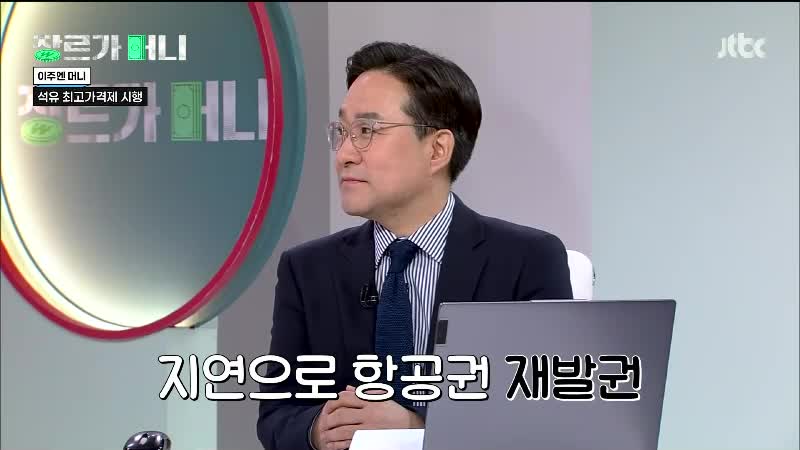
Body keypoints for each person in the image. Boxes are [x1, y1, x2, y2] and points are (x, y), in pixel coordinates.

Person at [256, 41, 573, 450]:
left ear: (437, 149)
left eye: (367, 132)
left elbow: (549, 416)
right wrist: (319, 430)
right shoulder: (307, 269)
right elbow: (276, 417)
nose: (344, 154)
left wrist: (417, 428)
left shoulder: (526, 260)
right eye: (343, 132)